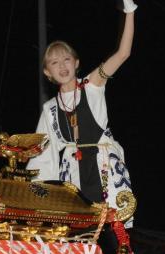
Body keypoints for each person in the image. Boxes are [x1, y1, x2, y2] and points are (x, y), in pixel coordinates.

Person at [26, 1, 136, 211]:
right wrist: (38, 193)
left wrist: (130, 10)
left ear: (76, 63)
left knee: (113, 236)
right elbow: (42, 154)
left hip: (104, 170)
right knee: (80, 235)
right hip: (74, 175)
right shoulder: (50, 108)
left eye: (66, 59)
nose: (62, 66)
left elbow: (123, 53)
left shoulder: (93, 84)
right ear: (47, 73)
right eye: (54, 62)